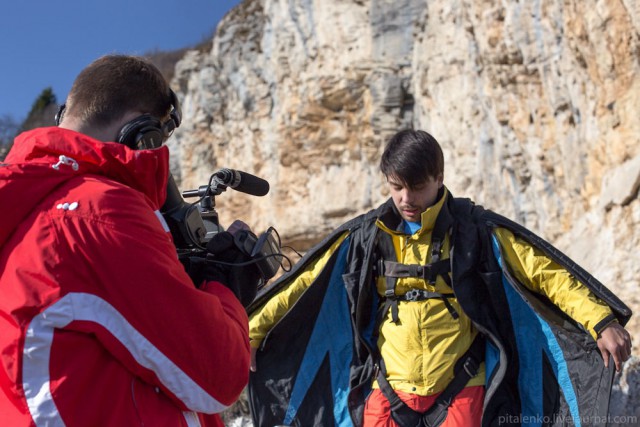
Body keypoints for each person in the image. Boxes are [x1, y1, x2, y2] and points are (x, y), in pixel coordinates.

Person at [246, 129, 633, 426]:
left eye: (417, 187)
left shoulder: (476, 232)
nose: (406, 199)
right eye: (396, 187)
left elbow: (544, 274)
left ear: (439, 178)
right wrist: (250, 333)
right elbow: (302, 284)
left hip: (461, 386)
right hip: (387, 388)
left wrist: (598, 320)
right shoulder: (366, 237)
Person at [0, 54, 259, 426]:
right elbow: (217, 377)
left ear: (63, 116)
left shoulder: (27, 210)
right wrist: (226, 285)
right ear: (143, 135)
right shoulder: (98, 211)